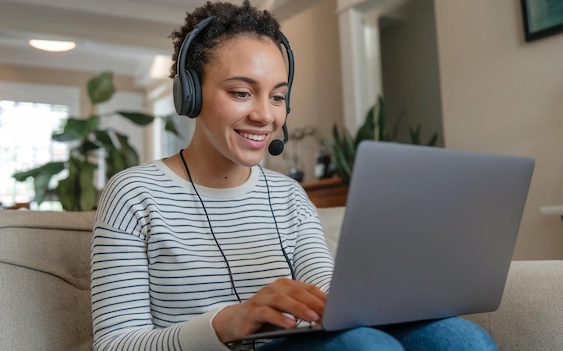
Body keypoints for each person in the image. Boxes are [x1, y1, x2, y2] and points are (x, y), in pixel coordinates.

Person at [90, 1, 498, 350]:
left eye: (278, 96)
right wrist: (224, 324)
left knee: (459, 337)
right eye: (241, 92)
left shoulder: (288, 195)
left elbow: (325, 293)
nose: (265, 115)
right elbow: (115, 343)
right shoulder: (133, 193)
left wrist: (390, 287)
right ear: (190, 94)